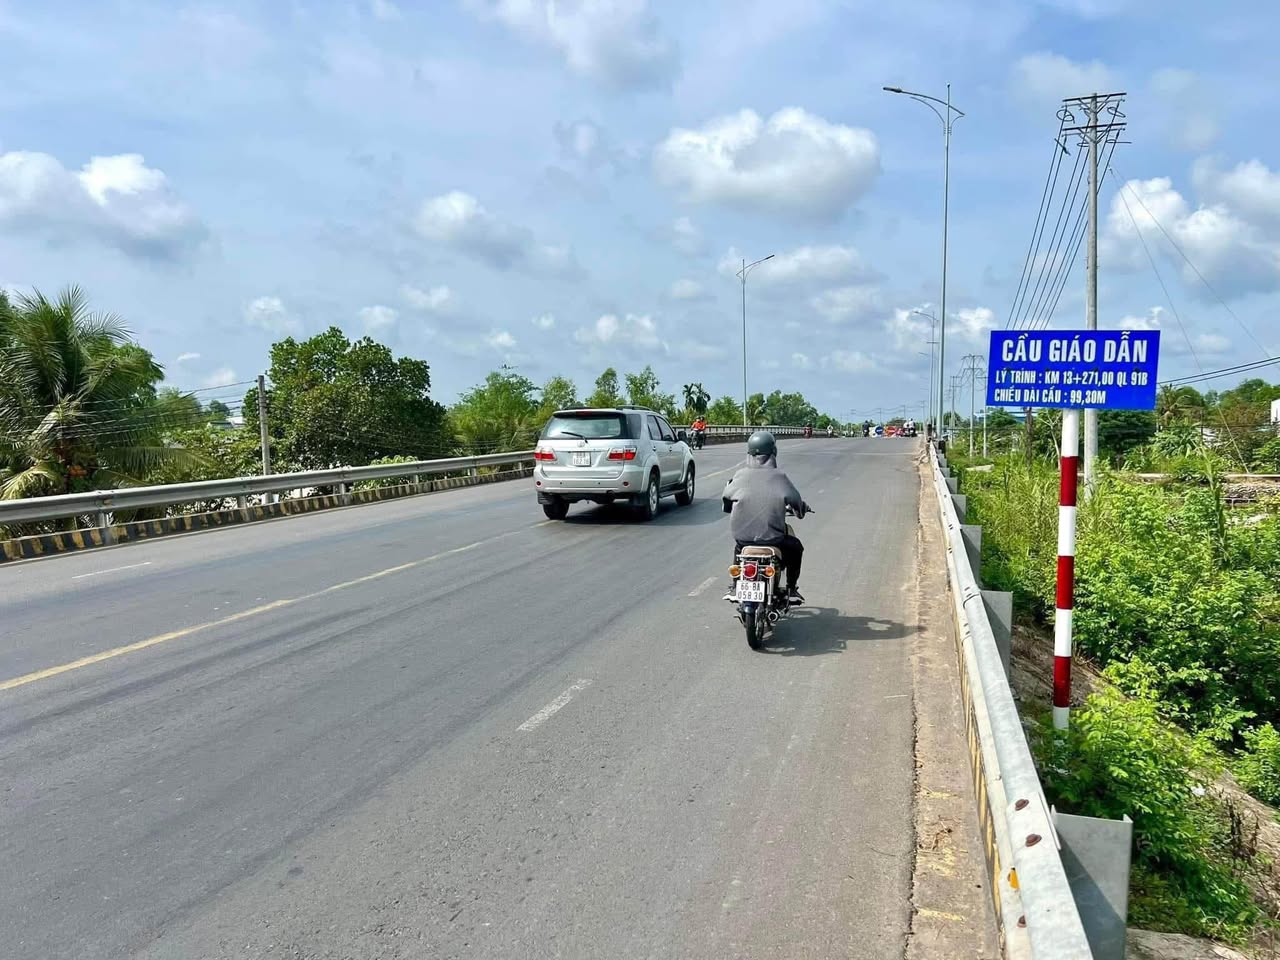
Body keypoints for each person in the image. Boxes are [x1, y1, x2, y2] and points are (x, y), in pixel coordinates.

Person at [721, 431, 809, 603]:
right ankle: (791, 589)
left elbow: (726, 498)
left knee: (739, 550)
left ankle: (735, 586)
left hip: (743, 540)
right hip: (773, 540)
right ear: (773, 452)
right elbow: (795, 500)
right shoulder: (779, 477)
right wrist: (800, 510)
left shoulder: (740, 475)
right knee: (796, 548)